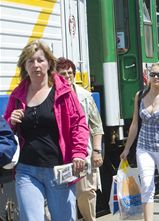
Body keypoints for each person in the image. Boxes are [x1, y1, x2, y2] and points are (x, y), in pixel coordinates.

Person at [4, 40, 89, 221]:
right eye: (30, 61)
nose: (36, 65)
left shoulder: (63, 92)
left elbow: (79, 123)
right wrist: (11, 121)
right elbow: (4, 129)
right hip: (26, 170)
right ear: (24, 66)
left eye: (40, 60)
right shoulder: (17, 95)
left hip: (58, 170)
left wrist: (79, 153)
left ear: (49, 63)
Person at [120, 62, 159, 221]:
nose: (155, 77)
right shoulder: (140, 95)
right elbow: (134, 124)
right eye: (153, 74)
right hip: (144, 147)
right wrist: (127, 148)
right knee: (146, 186)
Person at [56, 58, 104, 221]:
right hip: (60, 156)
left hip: (83, 154)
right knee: (61, 198)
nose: (68, 76)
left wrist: (97, 151)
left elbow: (96, 126)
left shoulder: (85, 96)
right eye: (63, 73)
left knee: (85, 194)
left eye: (70, 73)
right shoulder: (51, 97)